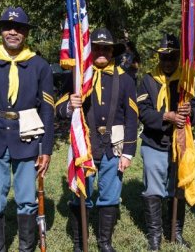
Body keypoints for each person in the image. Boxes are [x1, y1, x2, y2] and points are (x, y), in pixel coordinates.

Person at [0, 7, 54, 252]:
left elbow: (47, 110)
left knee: (27, 200)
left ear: (26, 33)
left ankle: (26, 248)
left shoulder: (39, 66)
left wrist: (45, 148)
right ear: (1, 31)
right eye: (8, 27)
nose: (13, 32)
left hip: (28, 138)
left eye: (19, 28)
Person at [56, 27, 138, 252]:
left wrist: (129, 152)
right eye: (97, 47)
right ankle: (80, 242)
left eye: (106, 48)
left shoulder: (126, 79)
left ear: (112, 52)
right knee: (81, 195)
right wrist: (69, 105)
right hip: (85, 146)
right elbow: (58, 107)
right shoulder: (77, 78)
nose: (101, 51)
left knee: (110, 196)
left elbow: (132, 118)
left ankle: (105, 243)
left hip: (114, 146)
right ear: (90, 50)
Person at [137, 34, 195, 251]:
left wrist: (190, 112)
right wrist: (167, 116)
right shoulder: (147, 80)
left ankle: (176, 233)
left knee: (178, 188)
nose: (168, 62)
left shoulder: (187, 81)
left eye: (173, 57)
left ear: (179, 58)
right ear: (158, 57)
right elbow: (142, 111)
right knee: (154, 190)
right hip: (154, 142)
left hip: (180, 143)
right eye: (164, 57)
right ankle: (155, 237)